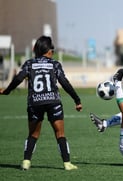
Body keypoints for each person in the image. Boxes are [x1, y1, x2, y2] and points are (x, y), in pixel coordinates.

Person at [0, 35, 82, 170]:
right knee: (60, 134)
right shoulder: (55, 64)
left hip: (35, 102)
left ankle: (26, 161)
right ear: (48, 50)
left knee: (33, 134)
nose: (53, 52)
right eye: (53, 49)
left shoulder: (29, 64)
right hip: (53, 101)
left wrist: (8, 91)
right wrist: (77, 100)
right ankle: (67, 163)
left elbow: (19, 78)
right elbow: (64, 83)